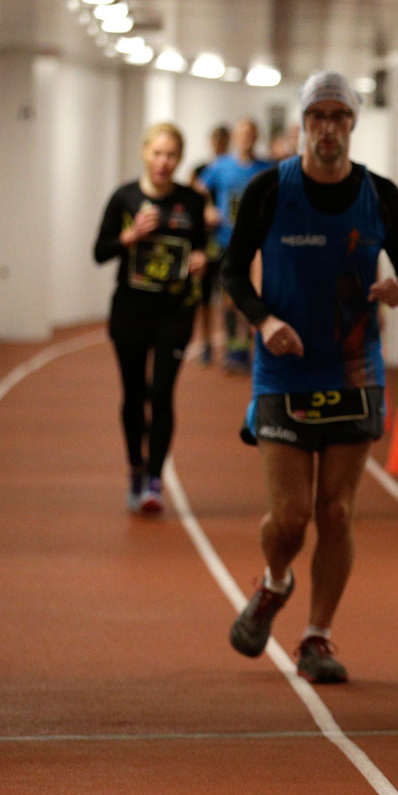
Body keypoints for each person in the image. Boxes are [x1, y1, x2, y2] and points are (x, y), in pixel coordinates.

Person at [222, 72, 398, 684]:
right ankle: (275, 581)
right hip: (283, 369)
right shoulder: (268, 189)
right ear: (303, 125)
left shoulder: (380, 195)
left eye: (340, 116)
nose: (328, 128)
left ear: (353, 124)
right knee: (290, 518)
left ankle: (317, 636)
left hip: (354, 369)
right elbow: (232, 272)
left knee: (335, 512)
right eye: (318, 117)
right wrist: (264, 322)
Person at [93, 122, 209, 513]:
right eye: (157, 153)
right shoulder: (124, 198)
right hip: (130, 312)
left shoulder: (192, 202)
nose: (163, 162)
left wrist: (202, 260)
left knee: (161, 394)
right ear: (145, 153)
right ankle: (135, 468)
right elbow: (99, 252)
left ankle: (155, 480)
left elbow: (207, 249)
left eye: (171, 155)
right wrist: (129, 237)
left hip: (174, 312)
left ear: (180, 159)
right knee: (133, 395)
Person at [199, 117, 272, 373]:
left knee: (255, 293)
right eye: (241, 133)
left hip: (257, 242)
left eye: (250, 133)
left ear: (256, 137)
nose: (246, 138)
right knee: (230, 296)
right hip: (226, 240)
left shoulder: (266, 168)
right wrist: (208, 208)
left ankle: (248, 347)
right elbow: (198, 189)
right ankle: (233, 348)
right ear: (234, 137)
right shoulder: (221, 166)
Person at [189, 124, 230, 366]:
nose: (219, 145)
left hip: (226, 241)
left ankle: (230, 342)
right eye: (216, 141)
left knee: (227, 293)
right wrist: (206, 210)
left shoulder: (232, 169)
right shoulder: (201, 170)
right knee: (203, 295)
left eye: (223, 141)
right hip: (205, 241)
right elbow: (192, 196)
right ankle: (204, 342)